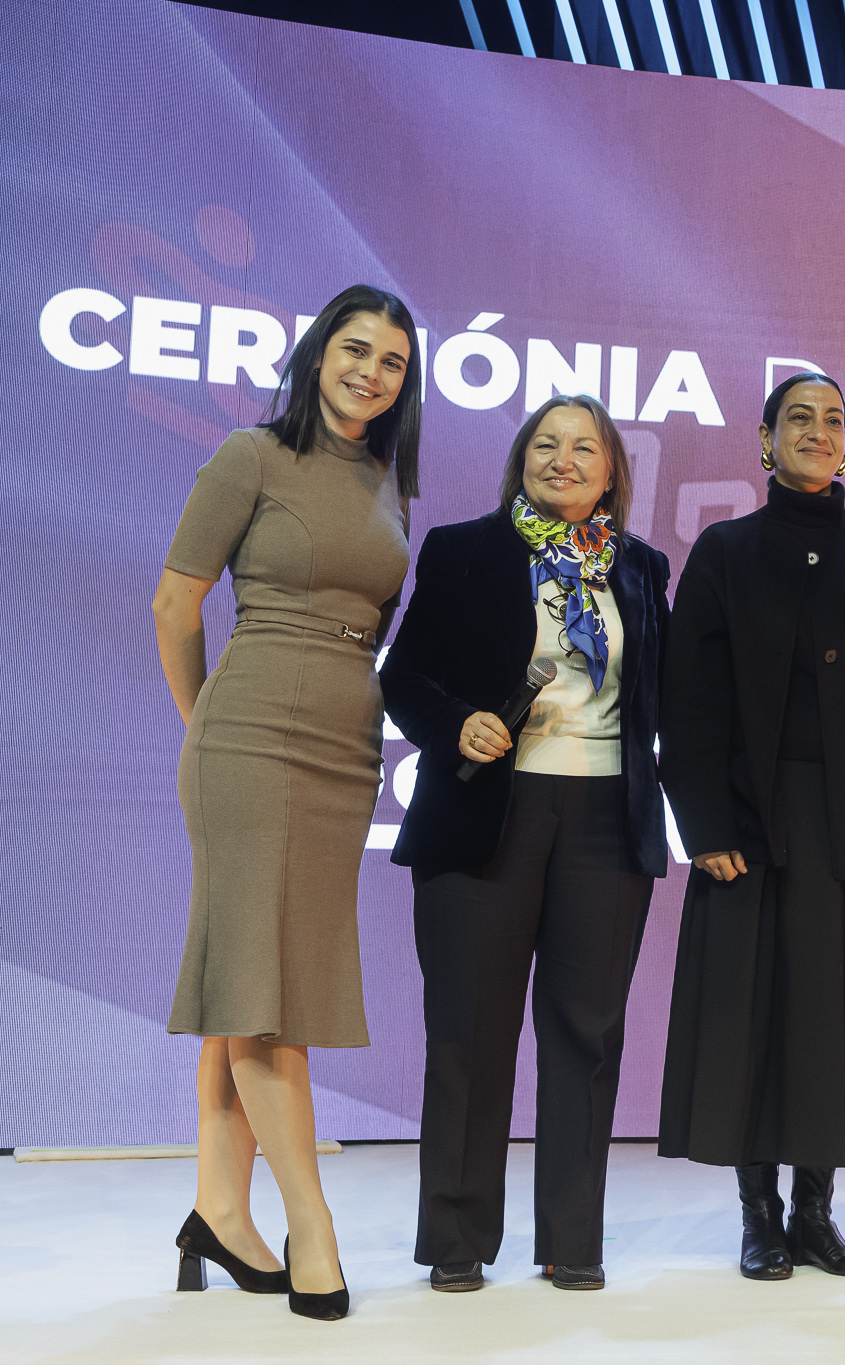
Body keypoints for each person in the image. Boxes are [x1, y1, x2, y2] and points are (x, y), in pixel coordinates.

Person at [153, 284, 421, 1321]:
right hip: (251, 733)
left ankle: (220, 1209)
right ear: (317, 355)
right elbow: (176, 602)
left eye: (392, 361)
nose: (370, 372)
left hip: (345, 749)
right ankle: (313, 1225)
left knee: (254, 981)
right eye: (355, 349)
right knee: (266, 991)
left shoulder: (386, 481)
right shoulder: (249, 457)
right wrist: (205, 721)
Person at [380, 394, 670, 1294]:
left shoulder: (641, 567)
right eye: (547, 443)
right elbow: (404, 676)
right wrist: (454, 723)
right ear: (521, 459)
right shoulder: (464, 549)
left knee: (587, 1031)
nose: (564, 459)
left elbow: (662, 698)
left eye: (584, 446)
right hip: (486, 811)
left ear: (611, 470)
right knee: (469, 1029)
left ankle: (572, 1238)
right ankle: (457, 1236)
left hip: (605, 817)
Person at [658, 372, 845, 1281]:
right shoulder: (725, 550)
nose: (819, 430)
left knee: (835, 1018)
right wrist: (704, 822)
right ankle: (758, 1214)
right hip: (749, 823)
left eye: (834, 419)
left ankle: (816, 1212)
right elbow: (687, 698)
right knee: (754, 1017)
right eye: (799, 418)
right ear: (765, 439)